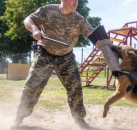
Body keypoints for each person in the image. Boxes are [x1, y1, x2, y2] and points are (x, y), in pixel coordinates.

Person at [12, 0, 120, 129]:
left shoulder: (79, 19)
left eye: (77, 0)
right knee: (32, 86)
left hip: (66, 57)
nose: (75, 2)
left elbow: (93, 35)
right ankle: (19, 117)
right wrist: (35, 29)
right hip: (44, 54)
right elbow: (28, 20)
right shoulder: (48, 10)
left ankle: (79, 120)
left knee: (75, 88)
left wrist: (109, 47)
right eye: (72, 0)